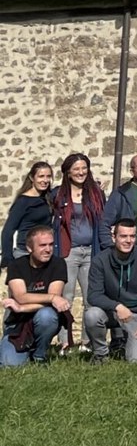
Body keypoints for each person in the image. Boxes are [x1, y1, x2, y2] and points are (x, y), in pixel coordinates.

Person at [84, 218, 137, 364]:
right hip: (113, 312)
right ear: (113, 237)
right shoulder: (100, 260)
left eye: (132, 236)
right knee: (92, 315)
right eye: (123, 236)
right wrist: (117, 306)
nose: (128, 240)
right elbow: (94, 295)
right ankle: (101, 355)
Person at [52, 152, 105, 330]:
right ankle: (64, 342)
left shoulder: (96, 194)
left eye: (84, 168)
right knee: (66, 297)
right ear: (67, 172)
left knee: (91, 297)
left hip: (92, 251)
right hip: (69, 253)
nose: (81, 172)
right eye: (76, 169)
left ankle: (86, 341)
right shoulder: (58, 195)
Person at [2, 224, 68, 365]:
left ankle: (39, 355)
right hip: (18, 323)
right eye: (42, 245)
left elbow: (52, 300)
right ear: (29, 248)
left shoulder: (58, 264)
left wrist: (21, 308)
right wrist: (51, 297)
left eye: (51, 244)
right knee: (9, 364)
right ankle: (26, 351)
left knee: (47, 315)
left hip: (43, 318)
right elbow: (21, 297)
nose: (48, 249)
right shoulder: (16, 266)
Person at [4, 162, 54, 267]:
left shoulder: (48, 197)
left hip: (45, 252)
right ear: (32, 178)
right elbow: (8, 231)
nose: (45, 180)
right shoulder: (23, 202)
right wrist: (7, 258)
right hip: (26, 253)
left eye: (48, 176)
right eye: (41, 176)